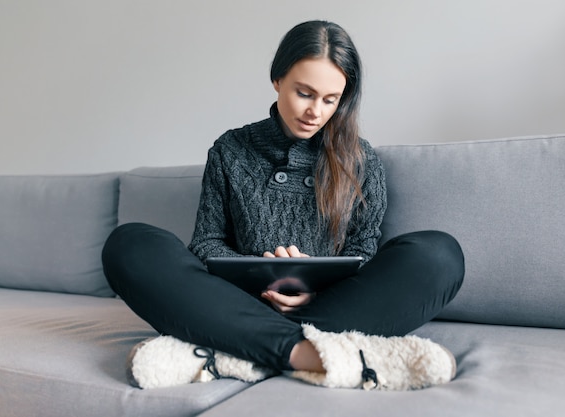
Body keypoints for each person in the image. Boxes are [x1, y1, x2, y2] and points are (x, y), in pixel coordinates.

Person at [102, 20, 464, 391]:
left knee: (439, 254)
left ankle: (231, 353)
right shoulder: (230, 150)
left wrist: (315, 288)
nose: (316, 112)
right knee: (129, 244)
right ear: (277, 79)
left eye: (330, 99)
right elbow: (207, 244)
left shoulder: (361, 160)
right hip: (239, 305)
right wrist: (262, 276)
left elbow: (363, 253)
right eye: (304, 93)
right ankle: (313, 355)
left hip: (331, 307)